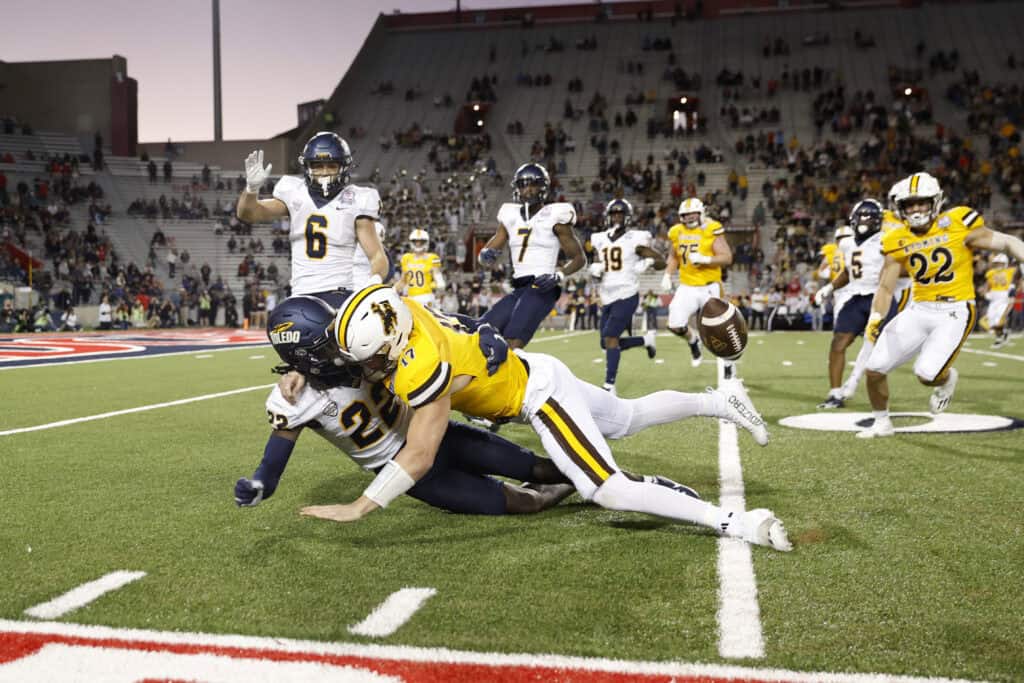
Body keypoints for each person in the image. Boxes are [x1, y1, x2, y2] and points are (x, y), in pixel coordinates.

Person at [301, 285, 790, 552]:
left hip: (536, 394)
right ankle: (720, 401)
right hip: (536, 372)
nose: (368, 368)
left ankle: (735, 523)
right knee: (626, 417)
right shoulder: (402, 308)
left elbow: (422, 455)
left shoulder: (418, 366)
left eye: (373, 358)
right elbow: (465, 324)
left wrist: (361, 505)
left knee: (608, 490)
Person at [238, 296, 574, 516]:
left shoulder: (361, 348)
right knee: (524, 502)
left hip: (436, 435)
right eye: (327, 346)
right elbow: (273, 461)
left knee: (536, 467)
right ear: (303, 357)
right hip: (408, 472)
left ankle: (600, 477)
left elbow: (423, 318)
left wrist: (479, 327)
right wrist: (259, 485)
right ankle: (583, 484)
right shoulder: (293, 399)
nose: (340, 347)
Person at [857, 172, 1024, 438]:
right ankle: (882, 422)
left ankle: (946, 380)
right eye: (909, 204)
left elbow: (1005, 242)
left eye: (921, 202)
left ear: (935, 202)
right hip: (919, 307)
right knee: (874, 368)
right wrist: (875, 318)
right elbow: (886, 286)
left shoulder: (957, 223)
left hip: (955, 310)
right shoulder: (897, 238)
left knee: (926, 374)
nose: (915, 209)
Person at [236, 132, 388, 308]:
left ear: (344, 167)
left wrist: (375, 280)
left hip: (339, 295)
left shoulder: (356, 200)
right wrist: (251, 189)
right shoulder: (295, 192)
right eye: (318, 165)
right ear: (307, 167)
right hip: (300, 295)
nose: (324, 172)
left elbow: (377, 256)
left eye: (331, 166)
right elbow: (248, 214)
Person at [476, 163, 585, 348]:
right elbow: (489, 250)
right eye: (523, 185)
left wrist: (558, 275)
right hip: (519, 288)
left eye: (533, 184)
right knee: (481, 332)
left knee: (512, 341)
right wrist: (484, 256)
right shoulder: (509, 215)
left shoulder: (555, 216)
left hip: (542, 286)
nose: (527, 190)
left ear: (543, 187)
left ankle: (520, 376)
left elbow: (579, 258)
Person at [813, 201, 909, 409]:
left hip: (880, 295)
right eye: (861, 217)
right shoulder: (847, 243)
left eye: (869, 217)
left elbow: (907, 268)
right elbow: (848, 272)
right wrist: (829, 288)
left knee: (874, 345)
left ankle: (853, 382)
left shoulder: (886, 240)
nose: (865, 221)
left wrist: (888, 272)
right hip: (856, 297)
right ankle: (835, 393)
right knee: (838, 342)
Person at [587, 198, 664, 393]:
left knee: (611, 338)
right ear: (608, 216)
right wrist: (594, 269)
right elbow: (598, 262)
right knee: (605, 344)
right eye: (614, 214)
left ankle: (609, 385)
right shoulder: (600, 238)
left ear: (628, 217)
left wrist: (648, 263)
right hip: (607, 296)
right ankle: (646, 341)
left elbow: (659, 260)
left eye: (621, 214)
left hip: (627, 294)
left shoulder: (635, 239)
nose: (617, 217)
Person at [662, 198, 733, 374]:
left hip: (710, 286)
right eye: (685, 215)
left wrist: (706, 259)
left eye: (693, 213)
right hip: (687, 286)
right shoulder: (676, 231)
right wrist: (667, 275)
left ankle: (727, 363)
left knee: (719, 327)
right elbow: (674, 256)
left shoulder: (711, 228)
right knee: (674, 324)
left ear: (701, 213)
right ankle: (693, 340)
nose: (689, 217)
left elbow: (726, 257)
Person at [398, 229, 445, 307]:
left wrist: (439, 290)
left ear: (426, 242)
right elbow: (403, 281)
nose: (418, 244)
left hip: (426, 296)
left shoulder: (432, 258)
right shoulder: (406, 258)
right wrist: (392, 291)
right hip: (410, 297)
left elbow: (438, 276)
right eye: (415, 241)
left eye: (421, 242)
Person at [982, 253, 1017, 348]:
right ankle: (1003, 334)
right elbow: (987, 284)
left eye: (1000, 263)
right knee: (991, 320)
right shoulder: (990, 273)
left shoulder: (1010, 271)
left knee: (999, 319)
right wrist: (985, 292)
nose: (998, 265)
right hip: (994, 297)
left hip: (1004, 297)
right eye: (997, 263)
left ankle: (999, 339)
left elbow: (1018, 267)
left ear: (1005, 263)